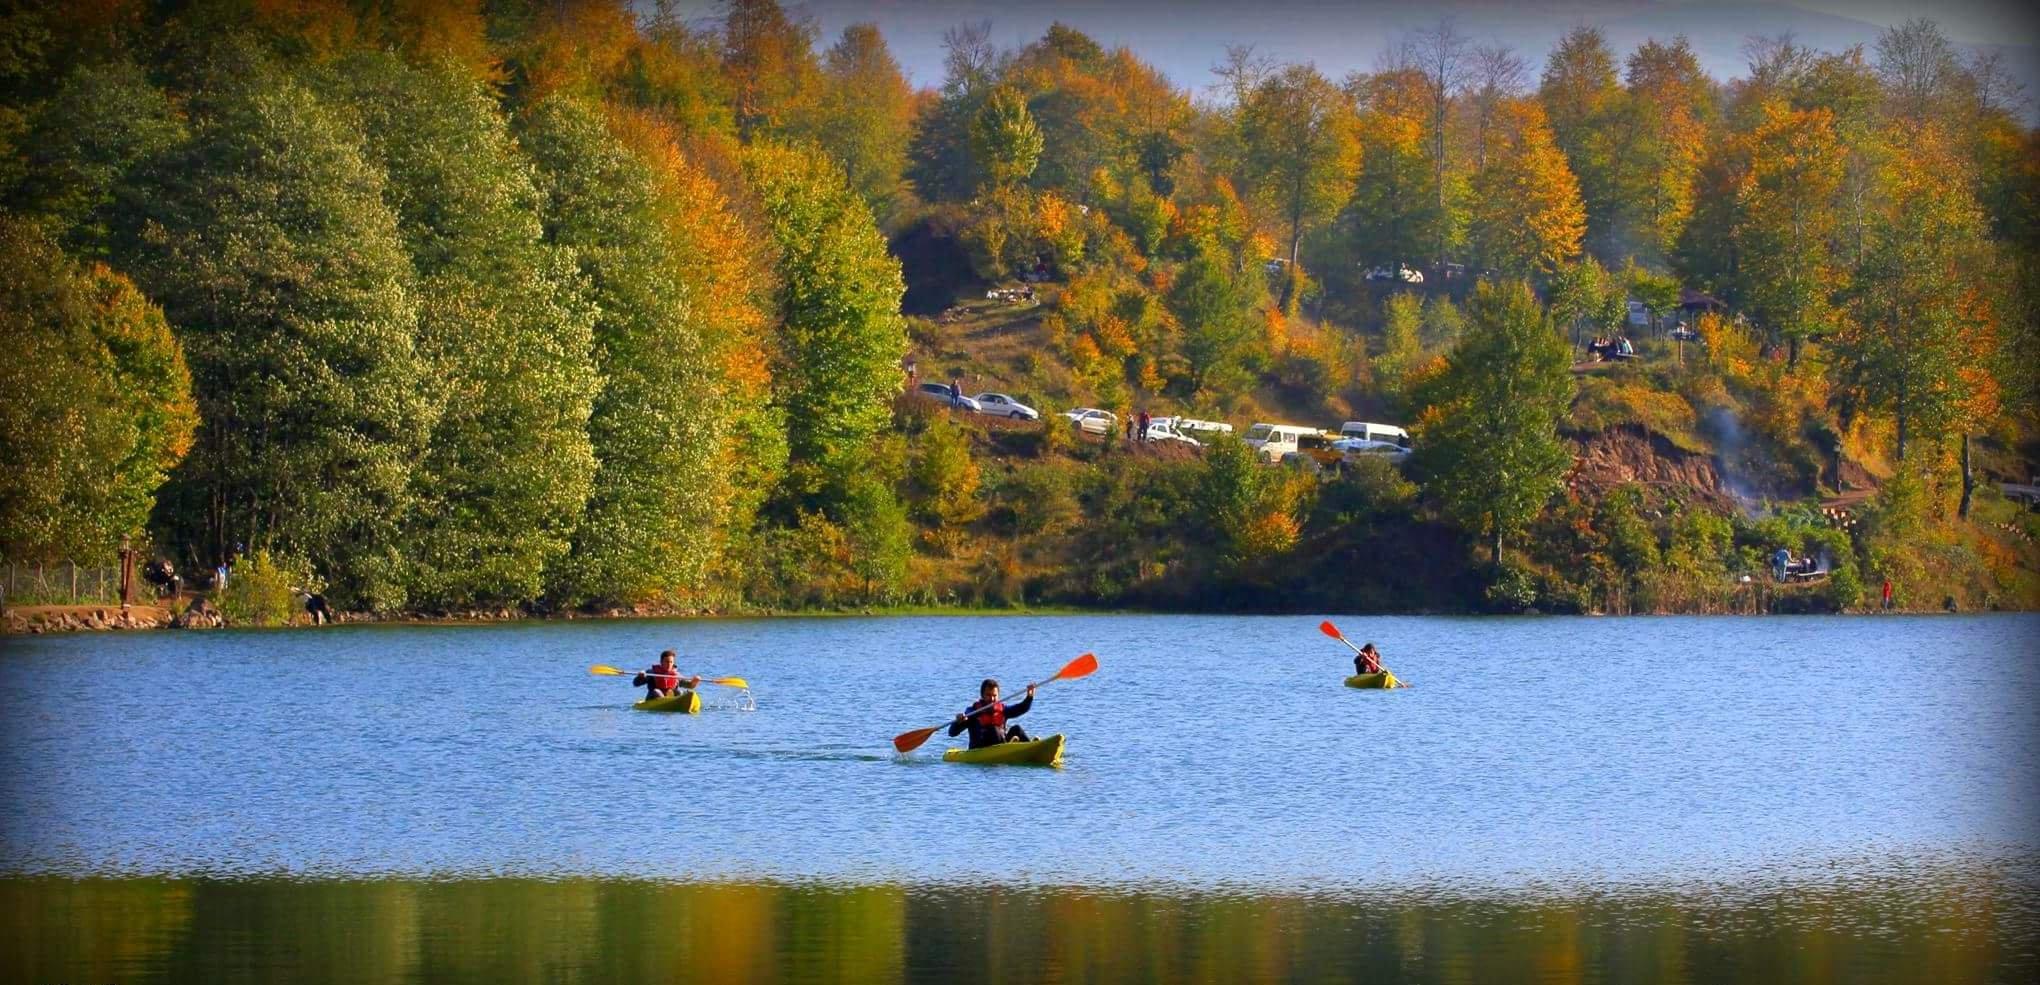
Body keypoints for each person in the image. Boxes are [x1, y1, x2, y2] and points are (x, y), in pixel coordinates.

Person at [948, 678, 1036, 749]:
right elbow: (952, 733)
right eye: (988, 695)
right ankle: (1010, 746)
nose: (992, 699)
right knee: (993, 729)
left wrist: (1029, 697)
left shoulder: (1003, 709)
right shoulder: (973, 711)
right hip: (980, 748)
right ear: (982, 696)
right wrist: (958, 722)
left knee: (1017, 729)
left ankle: (1033, 748)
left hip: (1002, 743)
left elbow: (1021, 708)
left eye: (994, 696)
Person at [632, 650, 701, 701]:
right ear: (661, 662)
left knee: (679, 692)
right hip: (653, 698)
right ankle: (665, 702)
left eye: (671, 662)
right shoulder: (652, 672)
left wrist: (695, 681)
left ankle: (673, 703)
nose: (669, 664)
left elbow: (689, 685)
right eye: (667, 662)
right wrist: (640, 677)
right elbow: (636, 683)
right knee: (657, 691)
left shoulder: (676, 675)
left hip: (670, 699)